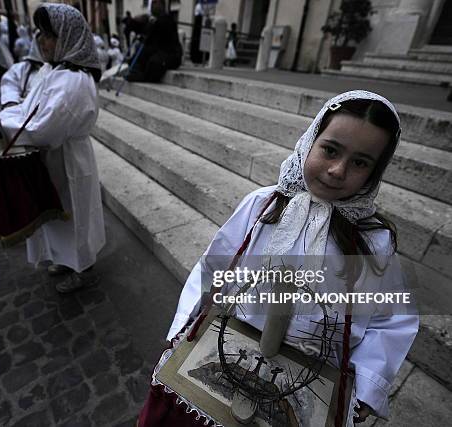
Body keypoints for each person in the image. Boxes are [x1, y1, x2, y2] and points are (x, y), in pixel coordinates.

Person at [138, 91, 419, 426]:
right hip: (227, 350)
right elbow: (213, 268)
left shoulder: (373, 243)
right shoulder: (262, 207)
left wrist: (370, 384)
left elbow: (389, 321)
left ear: (375, 173)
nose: (337, 170)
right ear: (310, 140)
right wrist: (184, 323)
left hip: (309, 379)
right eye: (330, 150)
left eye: (360, 163)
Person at [0, 3, 105, 294]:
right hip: (53, 159)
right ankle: (67, 260)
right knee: (57, 216)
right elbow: (27, 110)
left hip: (67, 160)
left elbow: (43, 127)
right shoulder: (53, 72)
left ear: (67, 37)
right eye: (40, 34)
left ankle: (84, 269)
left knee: (74, 215)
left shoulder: (73, 81)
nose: (41, 41)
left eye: (49, 35)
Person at [126, 0, 182, 83]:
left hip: (170, 53)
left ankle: (144, 77)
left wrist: (149, 22)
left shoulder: (167, 19)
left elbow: (158, 28)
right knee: (139, 55)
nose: (152, 5)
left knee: (155, 62)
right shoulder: (151, 20)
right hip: (157, 51)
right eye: (152, 3)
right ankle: (135, 72)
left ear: (162, 6)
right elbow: (144, 32)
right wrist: (134, 21)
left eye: (155, 2)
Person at [0, 37, 50, 109]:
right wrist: (12, 102)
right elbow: (9, 89)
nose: (44, 44)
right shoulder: (19, 69)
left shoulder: (61, 71)